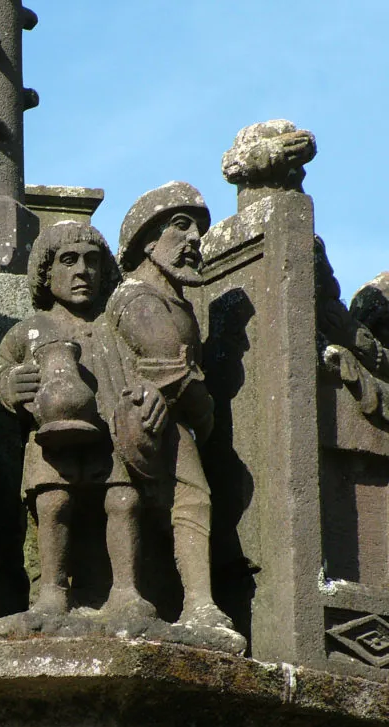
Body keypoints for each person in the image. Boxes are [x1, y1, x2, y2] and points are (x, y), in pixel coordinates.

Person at [0, 221, 161, 638]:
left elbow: (147, 366)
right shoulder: (29, 331)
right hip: (52, 438)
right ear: (46, 274)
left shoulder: (116, 326)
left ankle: (125, 590)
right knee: (53, 504)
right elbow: (2, 373)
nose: (82, 270)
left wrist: (149, 392)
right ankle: (52, 590)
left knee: (122, 501)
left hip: (113, 430)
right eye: (68, 261)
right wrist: (10, 386)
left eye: (92, 261)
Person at [107, 182, 243, 646]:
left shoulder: (175, 300)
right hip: (148, 418)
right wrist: (203, 408)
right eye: (179, 226)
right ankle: (197, 603)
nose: (192, 240)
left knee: (190, 500)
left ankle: (196, 600)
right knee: (192, 498)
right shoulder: (137, 296)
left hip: (170, 420)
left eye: (198, 231)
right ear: (146, 239)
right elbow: (168, 365)